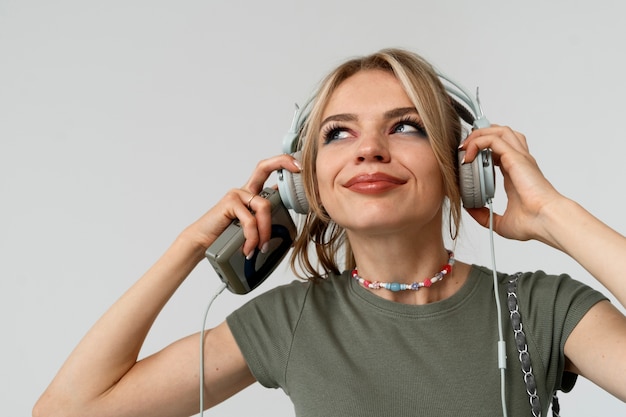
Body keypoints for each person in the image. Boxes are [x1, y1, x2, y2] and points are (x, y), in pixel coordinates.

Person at [33, 48, 626, 417]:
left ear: (464, 167)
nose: (368, 149)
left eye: (407, 127)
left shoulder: (546, 308)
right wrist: (189, 244)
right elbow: (69, 412)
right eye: (338, 134)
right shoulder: (291, 322)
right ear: (304, 184)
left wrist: (554, 215)